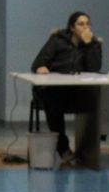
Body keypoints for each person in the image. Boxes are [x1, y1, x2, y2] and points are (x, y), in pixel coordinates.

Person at [30, 11, 103, 161]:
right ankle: (63, 147)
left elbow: (94, 68)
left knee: (96, 100)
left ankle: (88, 149)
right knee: (53, 102)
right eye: (81, 24)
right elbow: (38, 62)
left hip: (77, 90)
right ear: (72, 27)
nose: (85, 27)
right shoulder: (57, 40)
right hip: (55, 90)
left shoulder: (93, 43)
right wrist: (41, 67)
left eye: (88, 24)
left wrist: (89, 45)